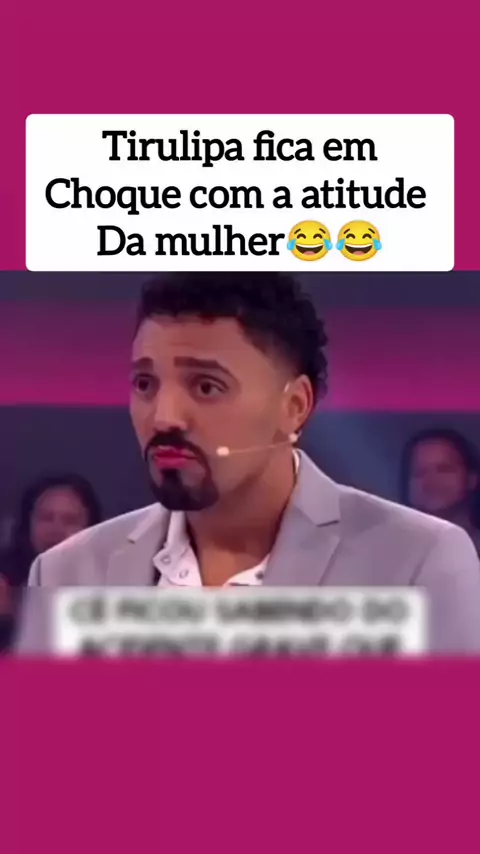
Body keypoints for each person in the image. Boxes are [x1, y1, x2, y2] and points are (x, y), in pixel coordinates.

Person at [26, 273, 480, 653]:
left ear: (295, 406)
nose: (163, 417)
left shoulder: (418, 560)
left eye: (206, 386)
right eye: (145, 383)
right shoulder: (64, 573)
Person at [400, 428, 480, 557]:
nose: (431, 480)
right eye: (420, 473)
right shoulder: (389, 553)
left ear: (472, 480)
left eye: (444, 470)